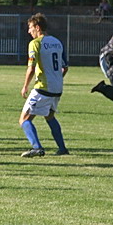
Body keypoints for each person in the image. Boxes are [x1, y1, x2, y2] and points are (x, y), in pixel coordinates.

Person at [18, 13, 69, 157]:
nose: (29, 31)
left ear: (37, 27)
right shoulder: (57, 42)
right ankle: (62, 148)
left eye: (30, 28)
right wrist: (56, 78)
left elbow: (31, 67)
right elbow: (65, 67)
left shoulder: (35, 43)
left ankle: (37, 148)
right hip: (57, 88)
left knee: (24, 119)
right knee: (49, 116)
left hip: (43, 88)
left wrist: (25, 86)